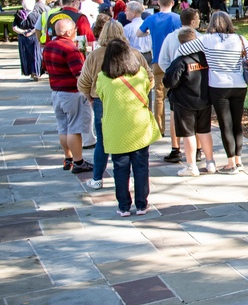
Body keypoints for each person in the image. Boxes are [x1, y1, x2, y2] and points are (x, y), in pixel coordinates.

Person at [176, 11, 248, 174]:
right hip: (239, 85)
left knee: (225, 124)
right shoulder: (239, 39)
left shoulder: (206, 40)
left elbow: (182, 50)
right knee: (237, 124)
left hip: (218, 86)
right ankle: (238, 160)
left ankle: (230, 163)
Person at [78, 21, 153, 190]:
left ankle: (97, 178)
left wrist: (90, 96)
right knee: (136, 141)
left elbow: (83, 82)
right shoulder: (134, 54)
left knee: (103, 141)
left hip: (102, 101)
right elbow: (149, 77)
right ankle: (139, 186)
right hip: (131, 102)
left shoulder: (95, 55)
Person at [97, 39, 161, 217]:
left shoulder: (103, 78)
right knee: (141, 166)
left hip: (116, 127)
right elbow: (148, 87)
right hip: (138, 125)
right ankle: (142, 204)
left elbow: (100, 95)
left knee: (120, 167)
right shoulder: (140, 73)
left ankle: (123, 205)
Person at [42, 18, 94, 175]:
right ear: (69, 32)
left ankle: (68, 158)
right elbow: (80, 75)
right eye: (75, 30)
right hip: (71, 93)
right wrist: (89, 95)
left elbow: (45, 67)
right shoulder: (70, 49)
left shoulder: (49, 46)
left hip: (56, 91)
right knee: (74, 128)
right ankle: (78, 162)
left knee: (63, 128)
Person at [163, 27, 217, 176]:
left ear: (181, 43)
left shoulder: (180, 60)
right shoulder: (205, 58)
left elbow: (170, 81)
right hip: (204, 99)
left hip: (185, 102)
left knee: (188, 134)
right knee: (204, 131)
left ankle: (191, 166)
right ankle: (210, 161)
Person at [137, 0, 182, 160]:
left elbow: (139, 33)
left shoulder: (151, 19)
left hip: (157, 59)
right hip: (174, 60)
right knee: (175, 96)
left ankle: (159, 127)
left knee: (159, 96)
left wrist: (149, 33)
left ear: (158, 2)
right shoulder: (176, 19)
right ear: (172, 2)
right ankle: (176, 131)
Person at [13, 0, 40, 80]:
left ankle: (29, 71)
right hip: (33, 37)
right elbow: (38, 27)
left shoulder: (18, 14)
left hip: (22, 37)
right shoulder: (37, 15)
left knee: (25, 55)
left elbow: (14, 27)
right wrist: (30, 32)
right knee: (35, 55)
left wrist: (23, 32)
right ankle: (35, 71)